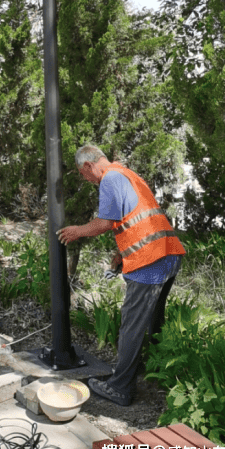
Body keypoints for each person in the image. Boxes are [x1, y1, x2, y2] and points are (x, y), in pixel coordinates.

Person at [57, 143, 185, 407]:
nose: (86, 179)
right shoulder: (127, 174)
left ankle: (121, 387)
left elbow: (104, 223)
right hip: (169, 253)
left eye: (83, 174)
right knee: (153, 322)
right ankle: (155, 372)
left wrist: (77, 230)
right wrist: (122, 256)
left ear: (89, 165)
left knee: (132, 325)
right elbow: (136, 220)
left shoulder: (109, 179)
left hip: (151, 261)